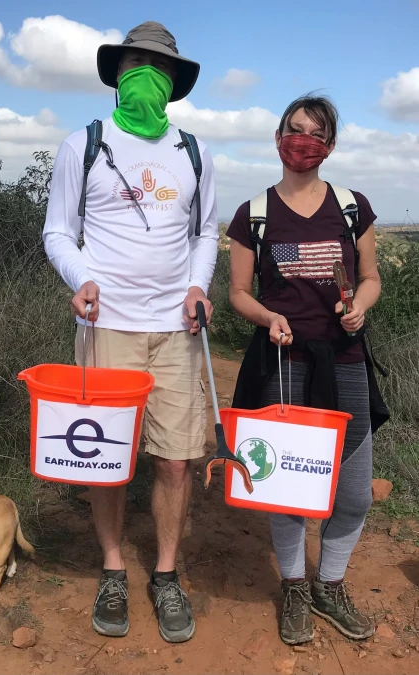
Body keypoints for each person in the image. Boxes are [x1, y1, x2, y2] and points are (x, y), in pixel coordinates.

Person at [42, 22, 218, 643]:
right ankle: (115, 566)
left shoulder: (194, 151)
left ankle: (165, 574)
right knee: (109, 460)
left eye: (158, 66)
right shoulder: (81, 145)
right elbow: (58, 231)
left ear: (172, 82)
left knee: (176, 460)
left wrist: (199, 287)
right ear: (118, 72)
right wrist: (82, 277)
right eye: (135, 61)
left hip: (176, 329)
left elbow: (204, 234)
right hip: (106, 327)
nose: (145, 72)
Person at [226, 93, 389, 645]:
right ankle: (295, 586)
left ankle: (330, 583)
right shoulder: (253, 214)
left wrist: (361, 305)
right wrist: (268, 315)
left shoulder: (351, 207)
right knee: (289, 485)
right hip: (284, 361)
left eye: (314, 133)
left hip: (344, 360)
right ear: (278, 137)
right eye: (294, 129)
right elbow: (238, 294)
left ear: (330, 145)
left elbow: (370, 277)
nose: (303, 141)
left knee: (355, 492)